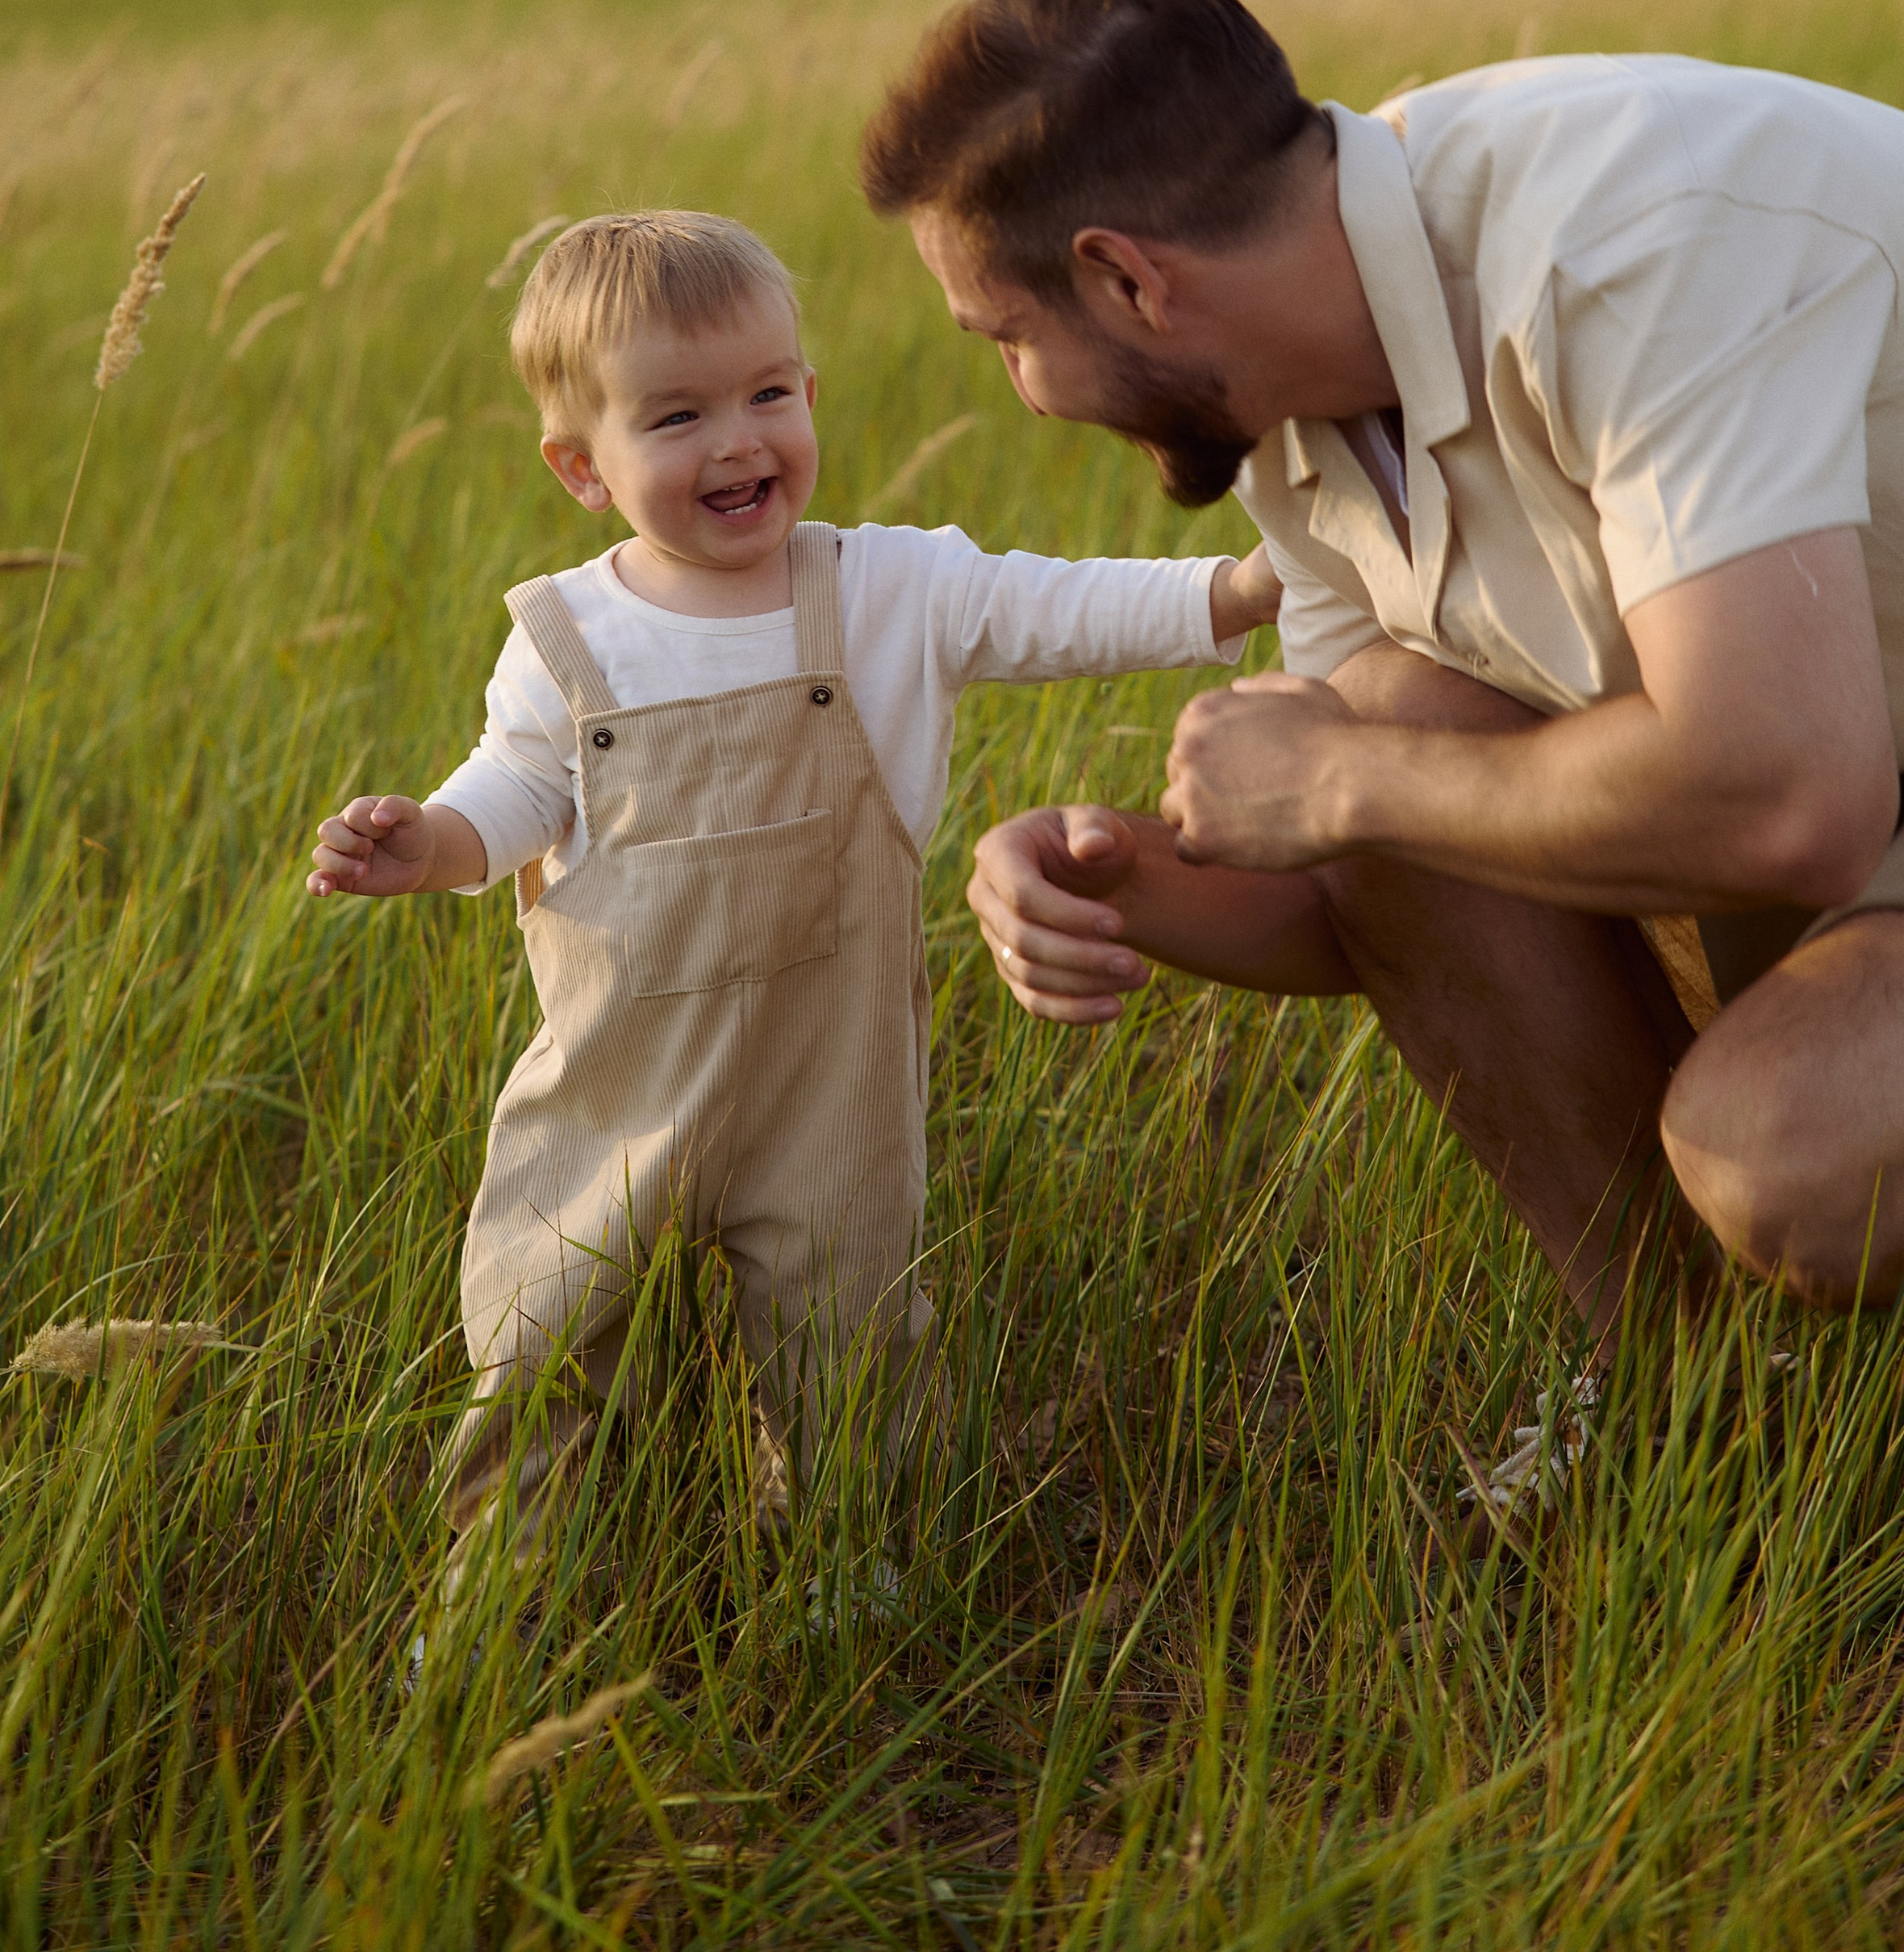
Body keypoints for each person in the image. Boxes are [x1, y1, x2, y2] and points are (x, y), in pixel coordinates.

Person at [859, 0, 1904, 1430]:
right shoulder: (1295, 398)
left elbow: (1792, 798)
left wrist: (1344, 781)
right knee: (1400, 722)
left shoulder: (1632, 235)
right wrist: (1120, 881)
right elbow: (1394, 871)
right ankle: (1697, 1415)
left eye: (1009, 338)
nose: (1022, 391)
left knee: (1796, 1149)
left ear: (1125, 279)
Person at [304, 207, 1278, 1592]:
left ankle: (851, 1576)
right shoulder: (570, 637)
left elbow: (1059, 607)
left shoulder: (890, 588)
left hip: (832, 1063)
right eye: (678, 416)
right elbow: (519, 789)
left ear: (810, 396)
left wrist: (1236, 591)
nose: (738, 440)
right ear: (583, 467)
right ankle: (504, 1603)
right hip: (619, 1075)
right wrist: (437, 842)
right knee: (548, 1323)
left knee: (852, 1327)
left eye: (768, 394)